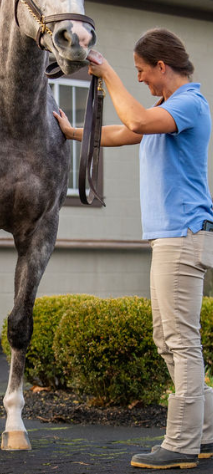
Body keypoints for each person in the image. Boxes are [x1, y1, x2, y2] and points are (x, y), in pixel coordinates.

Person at [54, 28, 213, 470]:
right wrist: (73, 132)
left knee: (181, 341)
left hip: (182, 236)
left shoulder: (190, 104)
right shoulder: (167, 109)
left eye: (142, 71)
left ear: (162, 66)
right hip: (171, 236)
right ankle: (205, 432)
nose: (140, 79)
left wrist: (107, 75)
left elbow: (137, 121)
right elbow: (126, 131)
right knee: (169, 339)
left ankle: (181, 444)